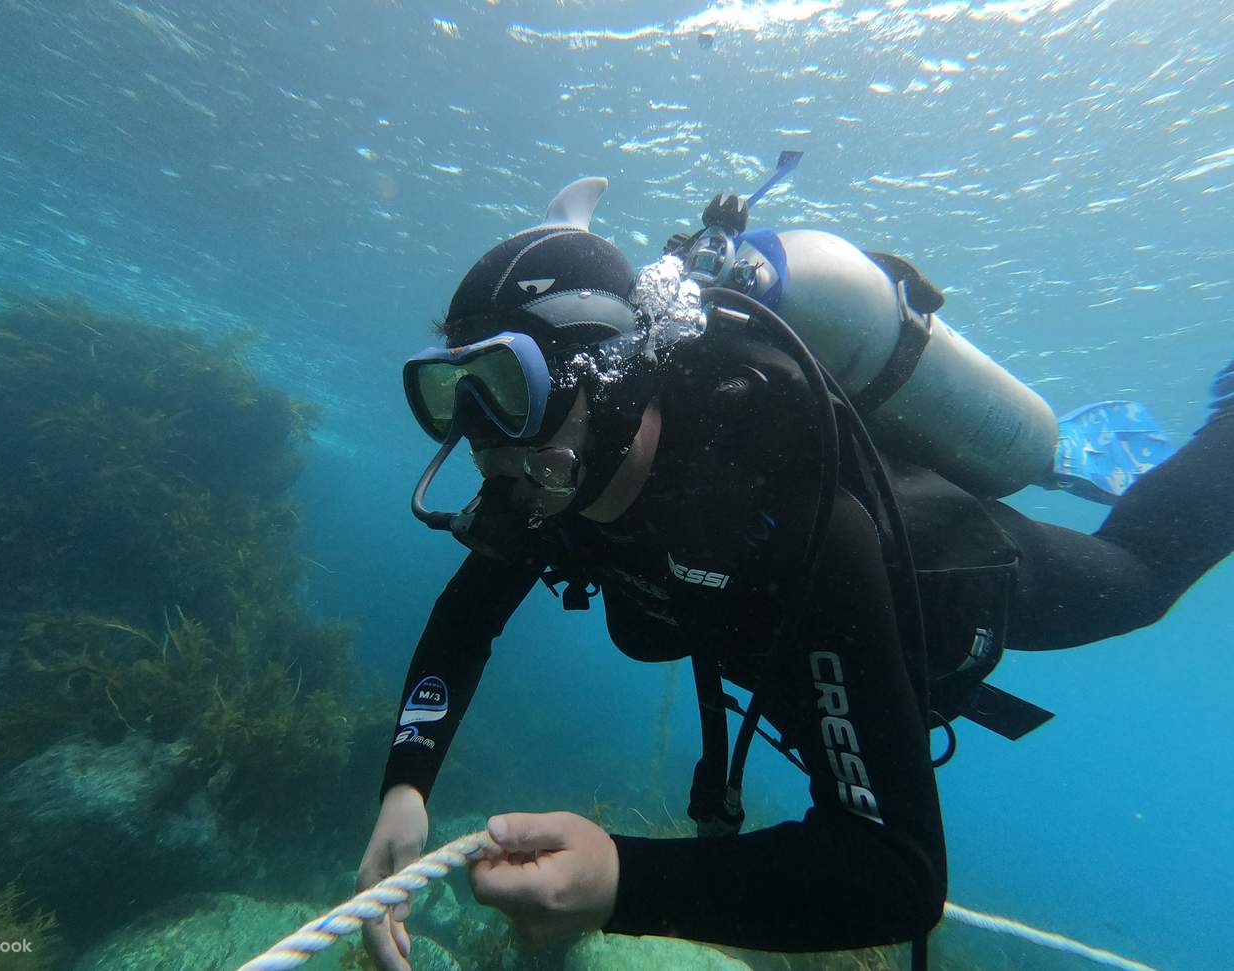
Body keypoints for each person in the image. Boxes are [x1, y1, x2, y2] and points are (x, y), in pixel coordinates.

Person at [357, 177, 1234, 970]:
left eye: (504, 386)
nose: (477, 434)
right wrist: (407, 782)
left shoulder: (788, 508)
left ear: (611, 376)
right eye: (450, 389)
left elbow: (896, 874)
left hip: (950, 580)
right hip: (769, 630)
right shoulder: (546, 475)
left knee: (1136, 579)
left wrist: (625, 879)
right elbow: (463, 621)